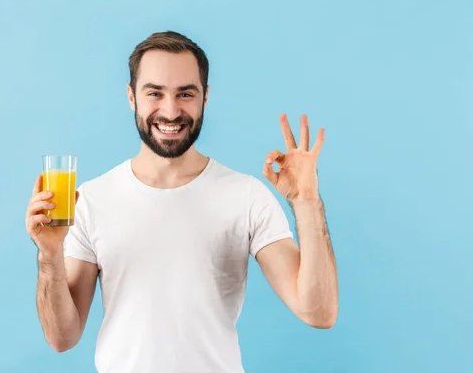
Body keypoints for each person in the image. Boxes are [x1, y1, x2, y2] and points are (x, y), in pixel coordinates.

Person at [25, 31, 338, 373]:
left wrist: (307, 202)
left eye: (185, 93)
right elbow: (62, 337)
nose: (170, 111)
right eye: (154, 93)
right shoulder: (91, 198)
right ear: (132, 97)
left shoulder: (245, 196)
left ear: (205, 96)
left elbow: (319, 312)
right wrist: (50, 254)